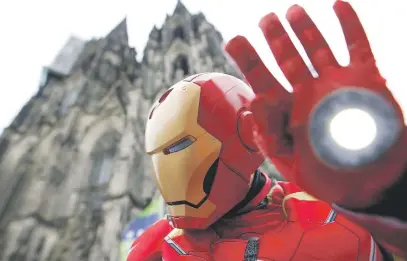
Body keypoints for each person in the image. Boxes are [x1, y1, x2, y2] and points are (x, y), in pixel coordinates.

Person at [127, 1, 406, 260]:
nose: (173, 168)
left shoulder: (337, 213)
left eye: (181, 145)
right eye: (161, 152)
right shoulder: (156, 248)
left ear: (248, 134)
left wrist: (392, 198)